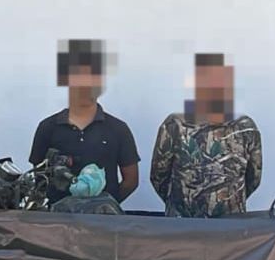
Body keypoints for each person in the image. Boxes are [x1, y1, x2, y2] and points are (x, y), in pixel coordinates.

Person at [150, 53, 263, 218]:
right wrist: (182, 204)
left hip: (231, 225)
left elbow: (253, 179)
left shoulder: (246, 128)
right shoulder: (175, 125)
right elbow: (158, 176)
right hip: (181, 224)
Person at [29, 39, 140, 204]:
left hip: (103, 218)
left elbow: (131, 181)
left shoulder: (118, 129)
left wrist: (107, 206)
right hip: (56, 218)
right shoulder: (47, 128)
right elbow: (39, 179)